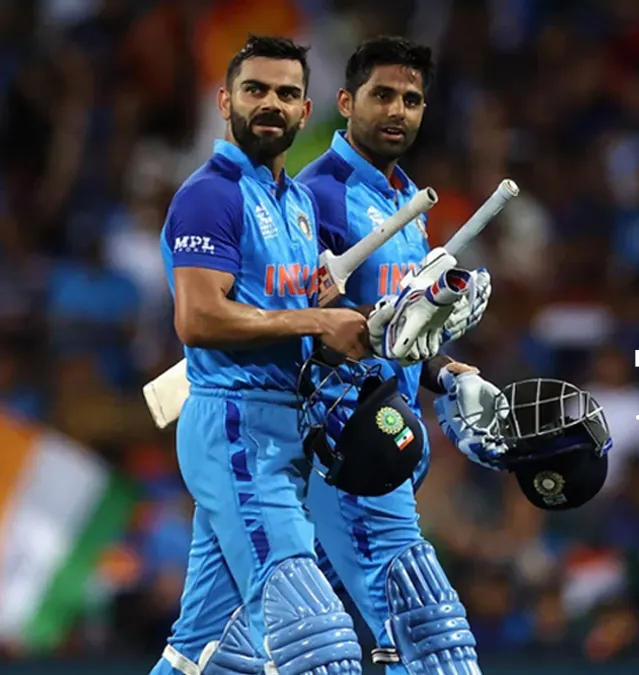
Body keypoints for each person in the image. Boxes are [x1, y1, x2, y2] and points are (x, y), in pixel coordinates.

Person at [191, 36, 504, 674]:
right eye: (381, 95)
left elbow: (391, 329)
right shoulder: (318, 197)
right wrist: (365, 326)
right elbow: (316, 327)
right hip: (342, 439)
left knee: (234, 652)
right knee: (428, 634)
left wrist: (445, 372)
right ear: (343, 102)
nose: (396, 111)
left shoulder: (401, 199)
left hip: (383, 434)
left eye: (410, 100)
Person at [150, 35, 369, 675]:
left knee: (210, 652)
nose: (270, 103)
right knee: (318, 639)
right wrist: (316, 318)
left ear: (306, 111)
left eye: (286, 93)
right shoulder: (210, 195)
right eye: (255, 90)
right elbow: (198, 318)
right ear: (226, 102)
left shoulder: (297, 203)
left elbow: (302, 318)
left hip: (284, 431)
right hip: (236, 426)